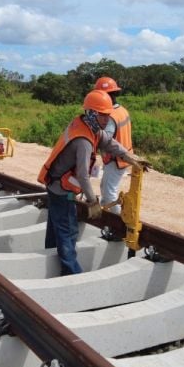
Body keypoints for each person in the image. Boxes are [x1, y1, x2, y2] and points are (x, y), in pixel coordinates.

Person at [38, 90, 149, 275]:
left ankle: (52, 260)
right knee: (68, 232)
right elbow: (82, 175)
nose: (107, 119)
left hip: (57, 184)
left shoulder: (90, 126)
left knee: (56, 226)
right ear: (92, 113)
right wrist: (92, 201)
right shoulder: (83, 140)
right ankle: (71, 273)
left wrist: (131, 158)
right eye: (103, 115)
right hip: (61, 188)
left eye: (108, 114)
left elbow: (109, 143)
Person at [94, 77, 133, 214]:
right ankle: (106, 213)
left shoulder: (109, 116)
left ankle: (115, 223)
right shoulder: (122, 110)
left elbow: (106, 140)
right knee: (106, 187)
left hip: (116, 159)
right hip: (125, 156)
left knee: (109, 193)